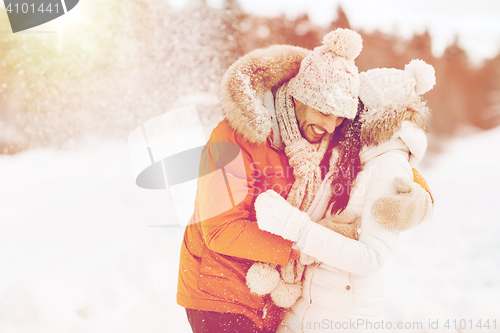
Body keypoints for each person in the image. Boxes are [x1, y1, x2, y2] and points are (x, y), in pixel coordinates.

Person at [177, 28, 432, 333]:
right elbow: (220, 229)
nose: (329, 125)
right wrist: (300, 245)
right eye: (324, 112)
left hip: (275, 299)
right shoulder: (234, 136)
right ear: (301, 96)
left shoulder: (322, 129)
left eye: (339, 118)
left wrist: (420, 194)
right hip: (220, 289)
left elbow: (376, 159)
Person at [254, 59, 436, 332]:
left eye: (352, 106)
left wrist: (298, 229)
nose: (340, 116)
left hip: (343, 319)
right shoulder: (350, 156)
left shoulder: (388, 164)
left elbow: (370, 258)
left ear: (370, 112)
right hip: (307, 309)